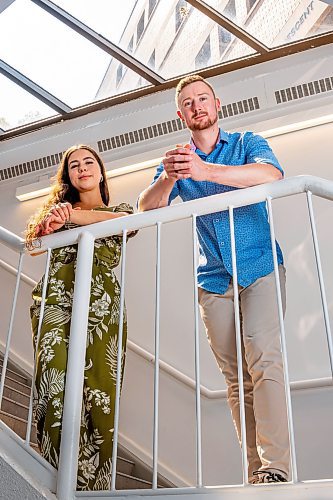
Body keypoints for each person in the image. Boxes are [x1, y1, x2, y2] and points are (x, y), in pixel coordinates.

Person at [138, 75, 290, 484]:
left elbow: (270, 175)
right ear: (180, 114)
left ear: (217, 104)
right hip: (214, 278)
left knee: (264, 359)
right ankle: (257, 472)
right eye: (188, 102)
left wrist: (207, 170)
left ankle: (277, 466)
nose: (196, 106)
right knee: (236, 379)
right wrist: (170, 177)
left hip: (260, 266)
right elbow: (145, 206)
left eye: (202, 98)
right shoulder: (177, 158)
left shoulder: (246, 142)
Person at [26, 144, 135, 491]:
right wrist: (51, 223)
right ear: (68, 176)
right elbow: (32, 246)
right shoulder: (57, 211)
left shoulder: (118, 210)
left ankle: (93, 491)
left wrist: (72, 218)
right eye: (74, 165)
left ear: (101, 172)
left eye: (89, 162)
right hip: (57, 301)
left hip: (102, 309)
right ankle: (54, 477)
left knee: (100, 394)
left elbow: (125, 224)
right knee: (54, 385)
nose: (82, 168)